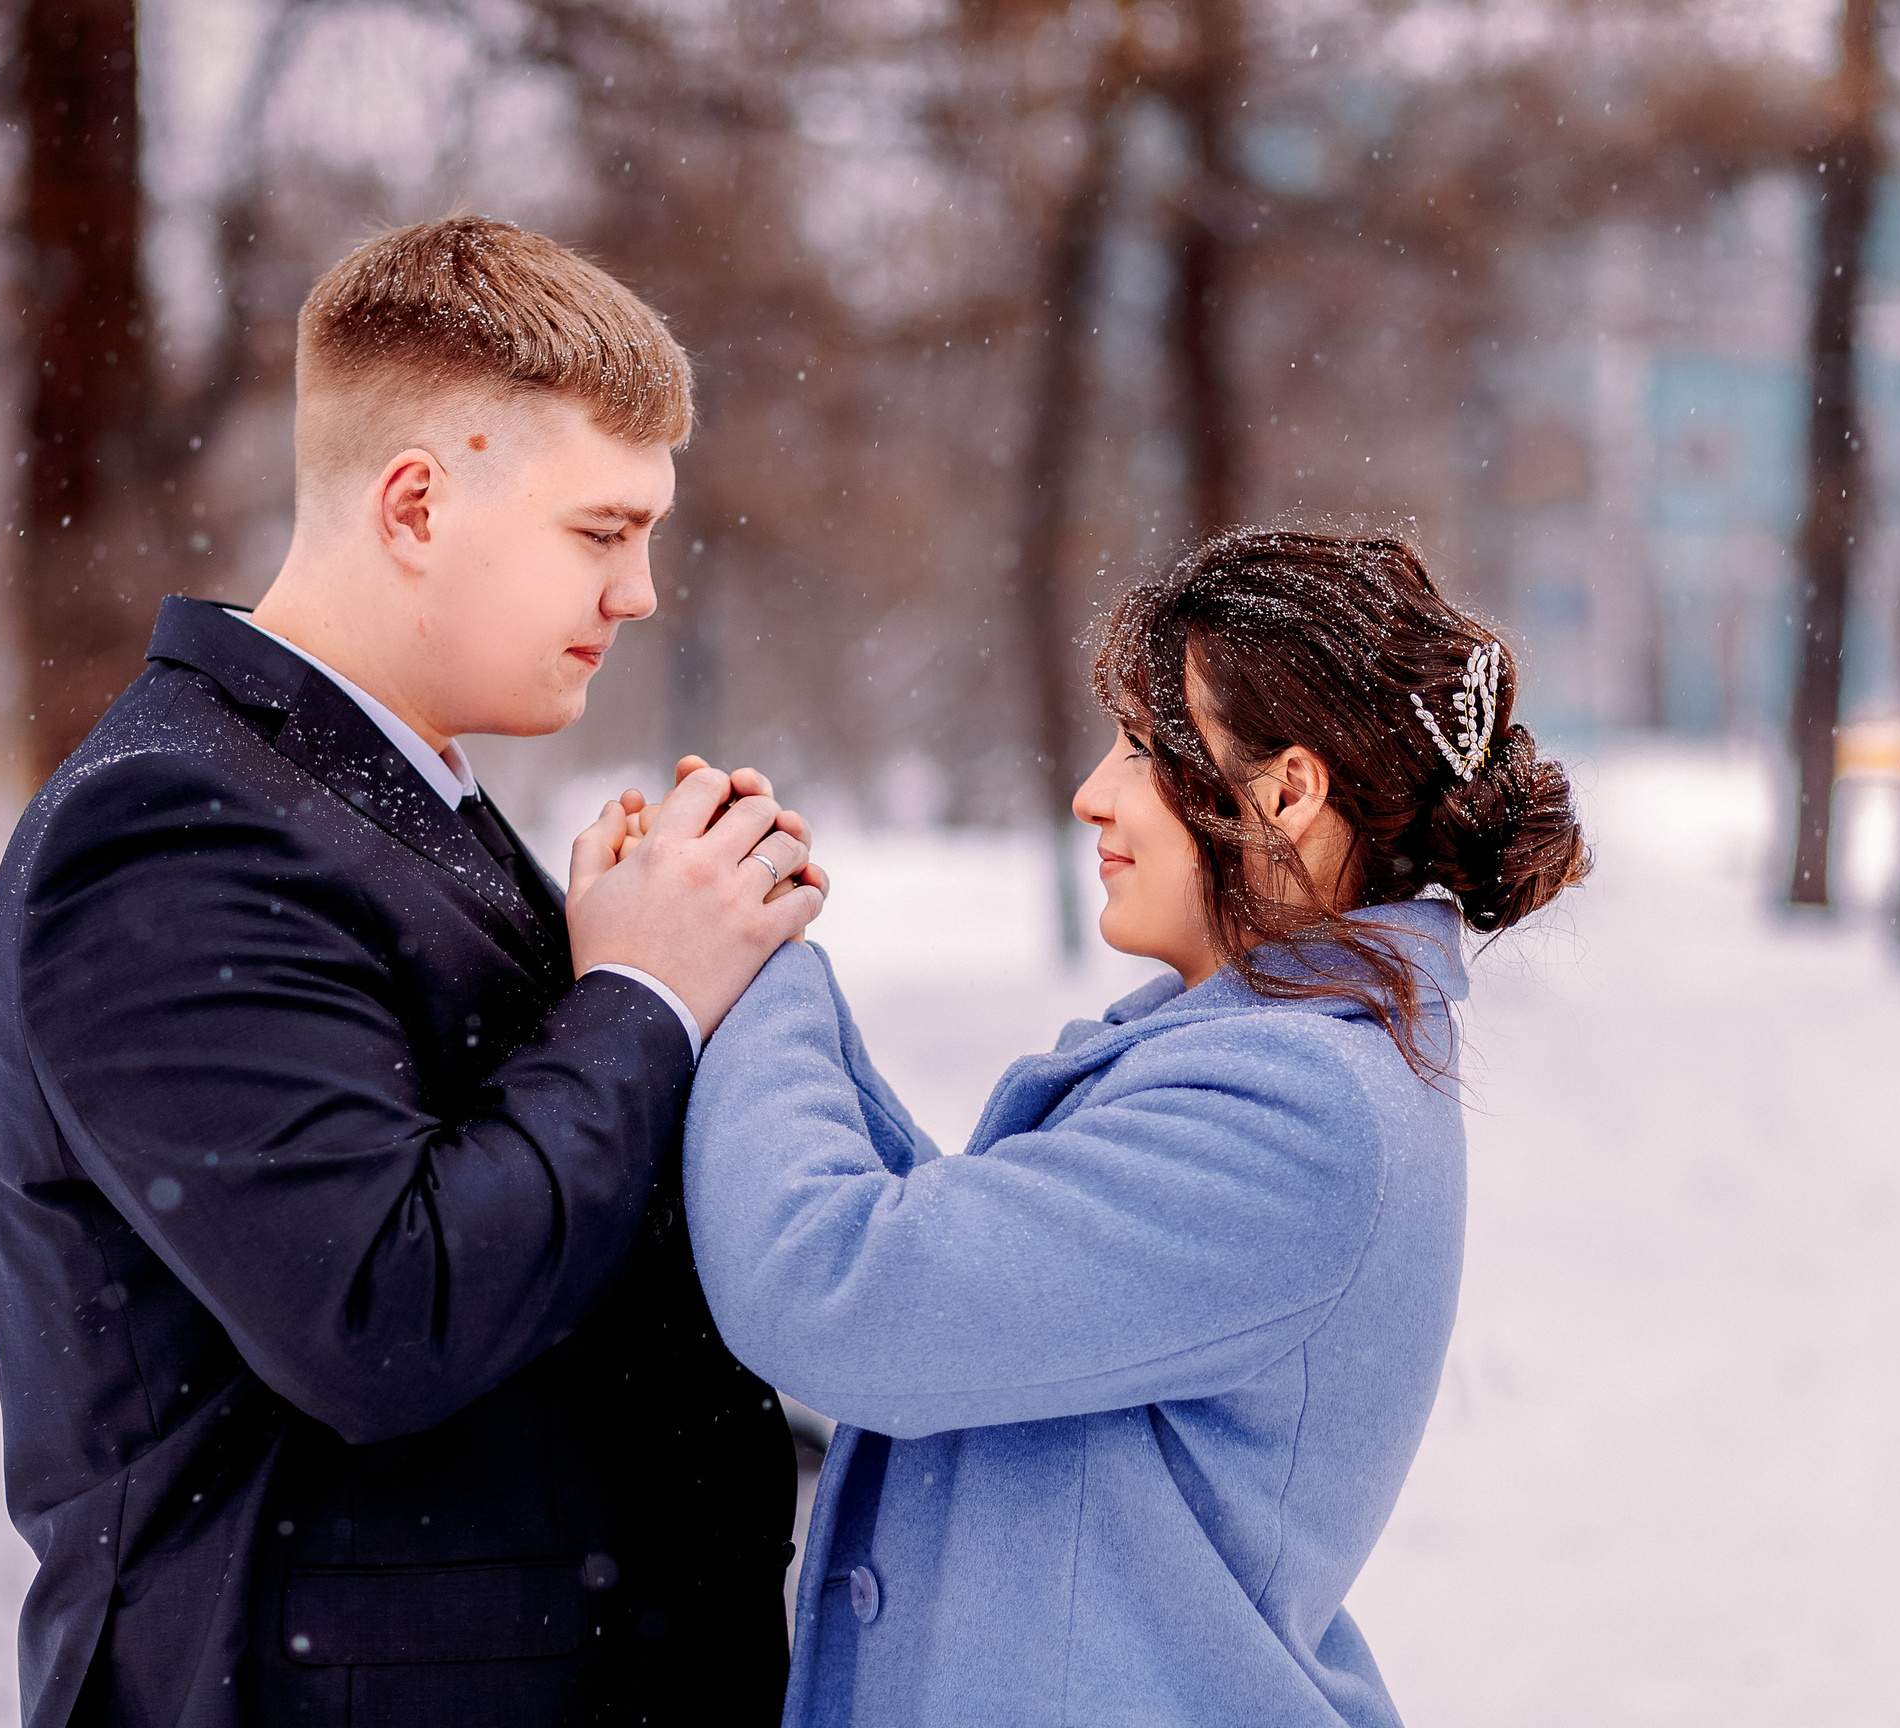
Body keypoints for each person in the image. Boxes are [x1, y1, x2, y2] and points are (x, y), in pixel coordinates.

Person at [0, 218, 824, 1727]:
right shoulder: (171, 825)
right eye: (600, 532)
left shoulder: (387, 794)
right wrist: (640, 1000)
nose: (640, 592)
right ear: (418, 505)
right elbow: (383, 1314)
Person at [679, 530, 1591, 1727]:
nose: (1091, 794)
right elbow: (958, 1275)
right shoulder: (1271, 1061)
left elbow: (838, 1288)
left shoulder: (1296, 1112)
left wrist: (740, 962)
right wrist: (775, 965)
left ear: (1288, 793)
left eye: (1145, 750)